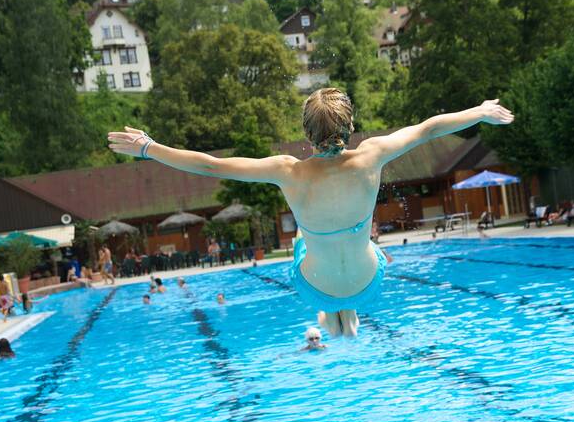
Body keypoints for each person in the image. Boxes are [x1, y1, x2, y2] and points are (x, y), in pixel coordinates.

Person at [109, 89, 513, 337]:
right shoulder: (372, 154)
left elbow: (211, 166)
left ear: (307, 134)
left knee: (305, 236)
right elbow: (427, 129)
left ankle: (334, 314)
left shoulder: (288, 171)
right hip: (369, 282)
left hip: (314, 286)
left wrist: (149, 147)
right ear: (351, 124)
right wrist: (479, 111)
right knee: (359, 237)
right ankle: (346, 310)